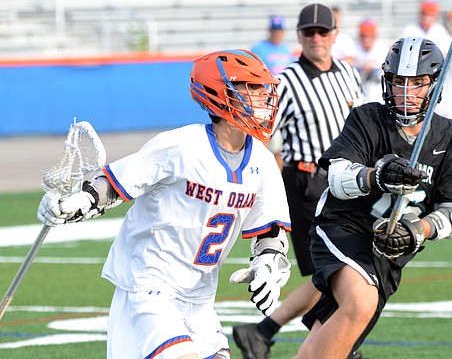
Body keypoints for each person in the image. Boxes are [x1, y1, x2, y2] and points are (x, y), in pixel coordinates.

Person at [37, 49, 293, 359]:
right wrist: (77, 202)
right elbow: (118, 183)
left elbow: (270, 230)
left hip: (200, 298)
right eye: (248, 87)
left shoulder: (263, 163)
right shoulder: (181, 145)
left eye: (261, 87)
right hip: (149, 286)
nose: (261, 96)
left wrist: (267, 265)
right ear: (218, 92)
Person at [295, 37, 452, 359]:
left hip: (390, 253)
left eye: (418, 83)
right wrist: (377, 175)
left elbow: (449, 208)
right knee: (359, 305)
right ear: (386, 80)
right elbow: (336, 178)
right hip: (343, 228)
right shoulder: (368, 118)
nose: (406, 92)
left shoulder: (448, 136)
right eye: (398, 82)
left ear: (435, 85)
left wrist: (417, 231)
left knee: (324, 342)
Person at [232, 3, 365, 359]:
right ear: (299, 36)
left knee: (345, 271)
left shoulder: (349, 74)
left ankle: (268, 333)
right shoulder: (287, 81)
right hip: (308, 183)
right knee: (332, 273)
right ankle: (327, 344)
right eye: (309, 32)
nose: (317, 38)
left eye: (324, 31)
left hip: (349, 186)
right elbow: (262, 133)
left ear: (336, 34)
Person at [354, 18, 389, 103]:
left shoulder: (382, 47)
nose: (367, 40)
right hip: (361, 92)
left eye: (369, 36)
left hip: (378, 92)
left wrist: (372, 67)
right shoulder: (354, 47)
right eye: (364, 36)